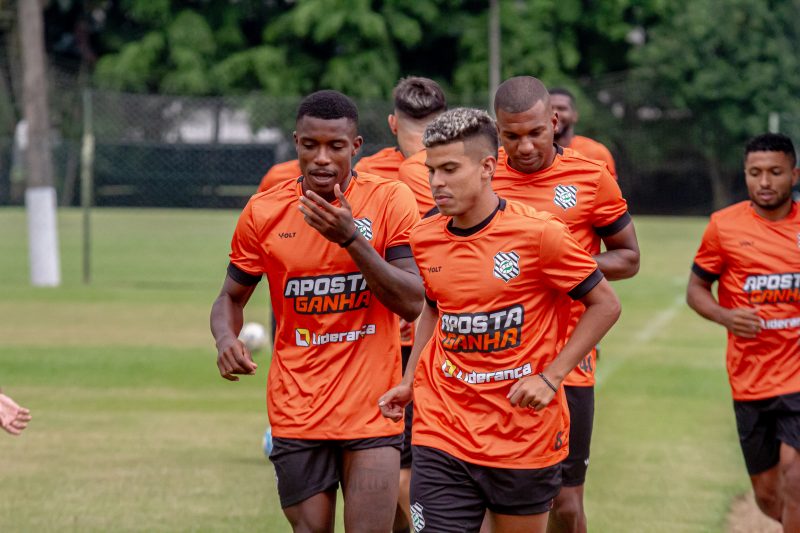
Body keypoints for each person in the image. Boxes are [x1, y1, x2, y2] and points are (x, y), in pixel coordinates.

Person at [379, 107, 621, 533]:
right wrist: (410, 380)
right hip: (443, 425)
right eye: (432, 170)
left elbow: (606, 304)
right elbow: (434, 308)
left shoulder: (540, 234)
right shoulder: (425, 236)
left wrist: (551, 377)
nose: (437, 182)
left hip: (521, 433)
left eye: (450, 169)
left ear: (487, 167)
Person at [210, 89, 424, 532]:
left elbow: (411, 300)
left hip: (372, 407)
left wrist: (351, 240)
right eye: (310, 145)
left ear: (356, 146)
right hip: (297, 407)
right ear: (296, 143)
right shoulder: (264, 212)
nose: (322, 158)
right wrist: (226, 338)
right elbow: (230, 297)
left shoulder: (390, 200)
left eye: (336, 146)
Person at [491, 76, 640, 533]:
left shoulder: (591, 176)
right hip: (492, 359)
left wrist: (560, 268)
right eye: (512, 136)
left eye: (535, 132)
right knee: (492, 497)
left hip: (568, 360)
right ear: (497, 132)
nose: (525, 146)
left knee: (566, 503)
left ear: (554, 122)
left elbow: (628, 257)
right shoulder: (483, 174)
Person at [686, 133, 800, 531]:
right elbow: (696, 289)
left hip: (797, 377)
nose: (764, 182)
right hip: (750, 379)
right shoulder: (724, 226)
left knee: (795, 478)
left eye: (775, 172)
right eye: (755, 173)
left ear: (794, 175)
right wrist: (726, 316)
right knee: (769, 498)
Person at [549, 87, 617, 179]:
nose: (555, 113)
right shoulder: (534, 153)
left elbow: (609, 187)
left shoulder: (597, 152)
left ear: (575, 116)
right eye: (549, 109)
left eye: (562, 108)